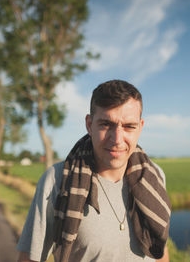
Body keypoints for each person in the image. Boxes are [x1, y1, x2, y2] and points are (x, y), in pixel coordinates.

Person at [17, 80, 171, 262]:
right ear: (89, 125)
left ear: (140, 127)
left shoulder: (154, 175)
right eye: (106, 124)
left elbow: (159, 247)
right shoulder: (58, 179)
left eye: (129, 126)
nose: (117, 139)